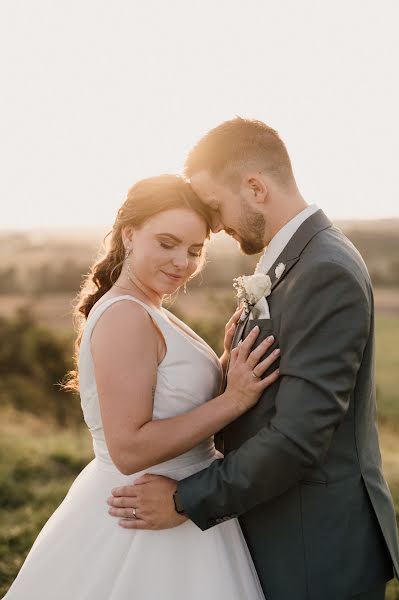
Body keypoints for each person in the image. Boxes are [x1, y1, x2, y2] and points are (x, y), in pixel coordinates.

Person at [108, 119, 399, 600]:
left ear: (256, 188)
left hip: (314, 545)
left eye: (217, 206)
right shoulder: (295, 260)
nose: (216, 224)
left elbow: (297, 438)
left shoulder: (325, 270)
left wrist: (184, 499)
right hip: (278, 525)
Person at [3, 174, 280, 600]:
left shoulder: (150, 308)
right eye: (166, 243)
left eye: (194, 250)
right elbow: (129, 449)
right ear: (129, 235)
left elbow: (171, 399)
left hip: (181, 506)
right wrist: (235, 399)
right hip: (144, 516)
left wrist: (224, 361)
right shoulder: (126, 316)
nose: (181, 263)